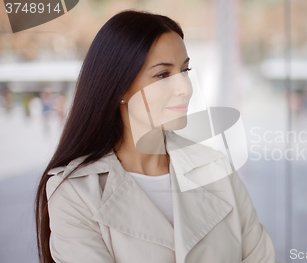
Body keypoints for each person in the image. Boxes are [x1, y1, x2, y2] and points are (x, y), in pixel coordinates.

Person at [34, 10, 278, 263]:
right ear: (119, 87)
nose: (185, 88)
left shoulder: (217, 169)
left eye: (185, 70)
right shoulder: (75, 192)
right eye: (163, 74)